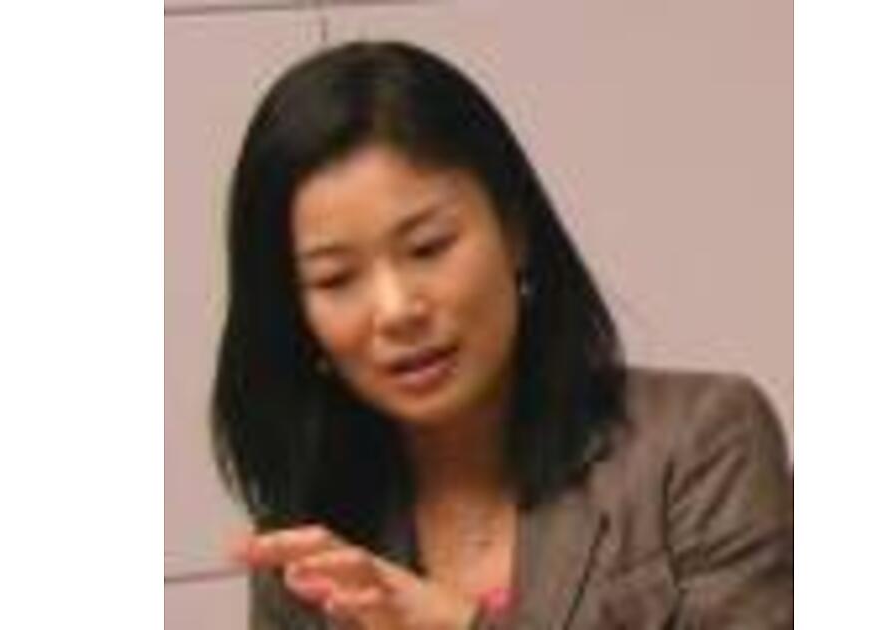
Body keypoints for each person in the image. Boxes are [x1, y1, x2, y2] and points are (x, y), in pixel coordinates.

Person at [211, 40, 792, 630]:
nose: (397, 310)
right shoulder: (312, 548)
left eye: (428, 247)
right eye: (336, 279)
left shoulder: (700, 441)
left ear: (514, 230)